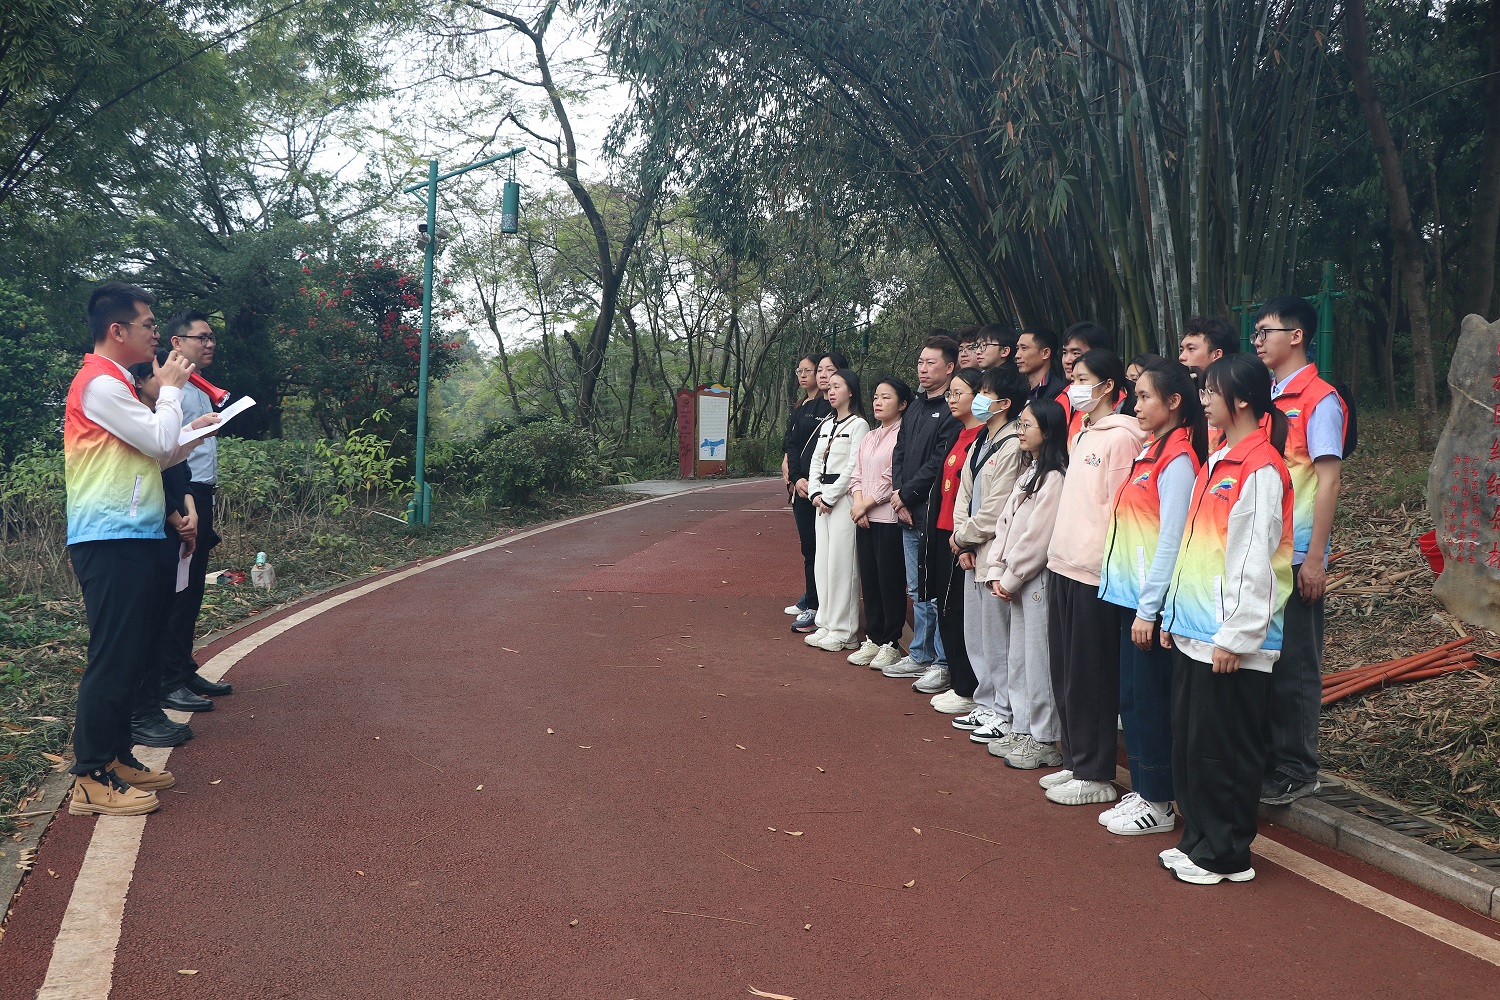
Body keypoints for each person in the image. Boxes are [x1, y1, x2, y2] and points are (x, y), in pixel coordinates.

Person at [63, 283, 213, 816]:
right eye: (148, 324)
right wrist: (171, 391)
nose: (156, 333)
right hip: (108, 538)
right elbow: (155, 441)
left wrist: (193, 432)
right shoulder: (100, 384)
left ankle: (116, 757)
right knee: (112, 656)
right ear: (117, 330)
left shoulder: (118, 383)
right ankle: (90, 776)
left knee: (131, 654)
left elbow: (157, 453)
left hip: (134, 535)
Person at [1159, 354, 1293, 884]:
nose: (1204, 400)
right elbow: (1196, 548)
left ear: (1240, 400)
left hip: (1231, 639)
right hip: (1197, 629)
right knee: (1194, 746)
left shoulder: (1260, 468)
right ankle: (1199, 840)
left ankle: (1226, 853)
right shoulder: (1219, 458)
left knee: (1226, 751)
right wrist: (1174, 614)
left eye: (1210, 391)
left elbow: (1254, 561)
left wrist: (1237, 636)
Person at [1097, 361, 1206, 836]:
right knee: (1133, 698)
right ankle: (1144, 789)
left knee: (1150, 701)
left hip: (1150, 605)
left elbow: (1171, 540)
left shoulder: (1177, 459)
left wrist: (1149, 609)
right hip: (1130, 600)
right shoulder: (1151, 450)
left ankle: (1159, 801)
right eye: (1135, 396)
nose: (1135, 405)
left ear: (1174, 402)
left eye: (1144, 397)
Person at [1041, 348, 1146, 805]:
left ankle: (1095, 771)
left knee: (1091, 674)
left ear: (1108, 387)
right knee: (1066, 671)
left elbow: (1122, 509)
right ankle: (1075, 760)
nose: (1074, 386)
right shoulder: (1083, 431)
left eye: (1083, 379)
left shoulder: (1122, 438)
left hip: (1094, 572)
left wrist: (1108, 566)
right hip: (1063, 562)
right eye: (1074, 378)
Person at [1253, 296, 1346, 806]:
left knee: (1296, 666)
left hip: (1296, 555)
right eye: (1255, 333)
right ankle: (1268, 759)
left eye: (1265, 332)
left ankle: (1297, 767)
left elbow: (1328, 481)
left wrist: (1315, 558)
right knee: (1265, 658)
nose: (1258, 341)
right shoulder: (1264, 397)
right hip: (1262, 553)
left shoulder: (1319, 399)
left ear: (1296, 336)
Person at [125, 355, 204, 749]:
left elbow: (179, 473)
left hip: (173, 523)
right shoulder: (139, 422)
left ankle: (154, 704)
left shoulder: (162, 418)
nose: (167, 381)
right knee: (148, 621)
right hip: (153, 527)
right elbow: (147, 474)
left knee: (167, 610)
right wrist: (177, 518)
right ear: (140, 381)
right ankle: (143, 710)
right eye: (158, 375)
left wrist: (190, 512)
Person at [987, 400, 1068, 770]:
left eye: (1027, 425)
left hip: (1035, 579)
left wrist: (1010, 576)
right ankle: (1022, 726)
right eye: (1019, 424)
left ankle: (1044, 737)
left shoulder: (1055, 477)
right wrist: (997, 568)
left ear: (1047, 431)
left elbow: (1038, 536)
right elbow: (1005, 524)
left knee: (1037, 658)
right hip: (1016, 577)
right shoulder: (1031, 471)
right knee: (1018, 656)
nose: (1020, 431)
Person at [950, 366, 1028, 742]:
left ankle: (1005, 710)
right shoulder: (982, 438)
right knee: (977, 634)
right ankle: (986, 702)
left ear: (1004, 402)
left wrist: (963, 536)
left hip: (996, 553)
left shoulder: (1013, 445)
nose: (978, 399)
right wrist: (963, 540)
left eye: (985, 392)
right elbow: (964, 493)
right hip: (971, 549)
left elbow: (997, 508)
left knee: (999, 637)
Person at [157, 311, 231, 710]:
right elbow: (163, 446)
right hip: (183, 494)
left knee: (193, 588)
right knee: (178, 589)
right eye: (201, 337)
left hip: (202, 493)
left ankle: (183, 669)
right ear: (176, 342)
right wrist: (180, 502)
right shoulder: (170, 389)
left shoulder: (199, 386)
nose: (210, 343)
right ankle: (169, 681)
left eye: (212, 337)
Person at [885, 334, 961, 685]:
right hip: (907, 509)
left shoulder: (951, 411)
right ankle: (919, 653)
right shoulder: (915, 406)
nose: (923, 369)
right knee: (916, 590)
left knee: (935, 590)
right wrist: (898, 493)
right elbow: (900, 452)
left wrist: (907, 495)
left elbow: (939, 462)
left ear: (950, 367)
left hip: (932, 512)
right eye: (920, 362)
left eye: (931, 363)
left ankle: (941, 662)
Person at [923, 367, 987, 714]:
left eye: (958, 393)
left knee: (960, 613)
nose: (951, 399)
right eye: (950, 393)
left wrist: (966, 539)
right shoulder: (958, 434)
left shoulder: (984, 438)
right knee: (945, 609)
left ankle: (967, 686)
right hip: (943, 531)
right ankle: (958, 681)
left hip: (963, 538)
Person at [848, 377, 913, 670]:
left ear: (902, 404)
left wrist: (865, 504)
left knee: (890, 581)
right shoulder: (870, 436)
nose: (878, 402)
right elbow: (857, 474)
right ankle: (873, 638)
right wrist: (859, 506)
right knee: (871, 581)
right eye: (876, 397)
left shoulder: (903, 435)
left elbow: (892, 478)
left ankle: (890, 642)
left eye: (886, 397)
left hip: (888, 518)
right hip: (864, 518)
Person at [804, 369, 870, 652]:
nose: (830, 392)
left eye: (837, 387)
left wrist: (830, 496)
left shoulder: (859, 425)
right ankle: (826, 623)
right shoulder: (827, 423)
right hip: (822, 501)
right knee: (823, 564)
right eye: (828, 388)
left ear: (851, 391)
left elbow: (853, 466)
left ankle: (845, 630)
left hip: (843, 501)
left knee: (843, 566)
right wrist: (816, 492)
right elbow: (816, 460)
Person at [782, 353, 833, 632]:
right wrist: (795, 476)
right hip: (800, 486)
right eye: (799, 371)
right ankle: (812, 601)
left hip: (823, 490)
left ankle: (820, 604)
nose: (805, 375)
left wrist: (808, 480)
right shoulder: (802, 406)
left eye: (809, 370)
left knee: (823, 550)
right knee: (809, 548)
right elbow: (791, 443)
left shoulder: (835, 409)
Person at [1015, 326, 1069, 411]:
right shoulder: (1017, 390)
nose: (1017, 355)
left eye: (1024, 348)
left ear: (1045, 353)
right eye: (1018, 349)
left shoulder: (1058, 393)